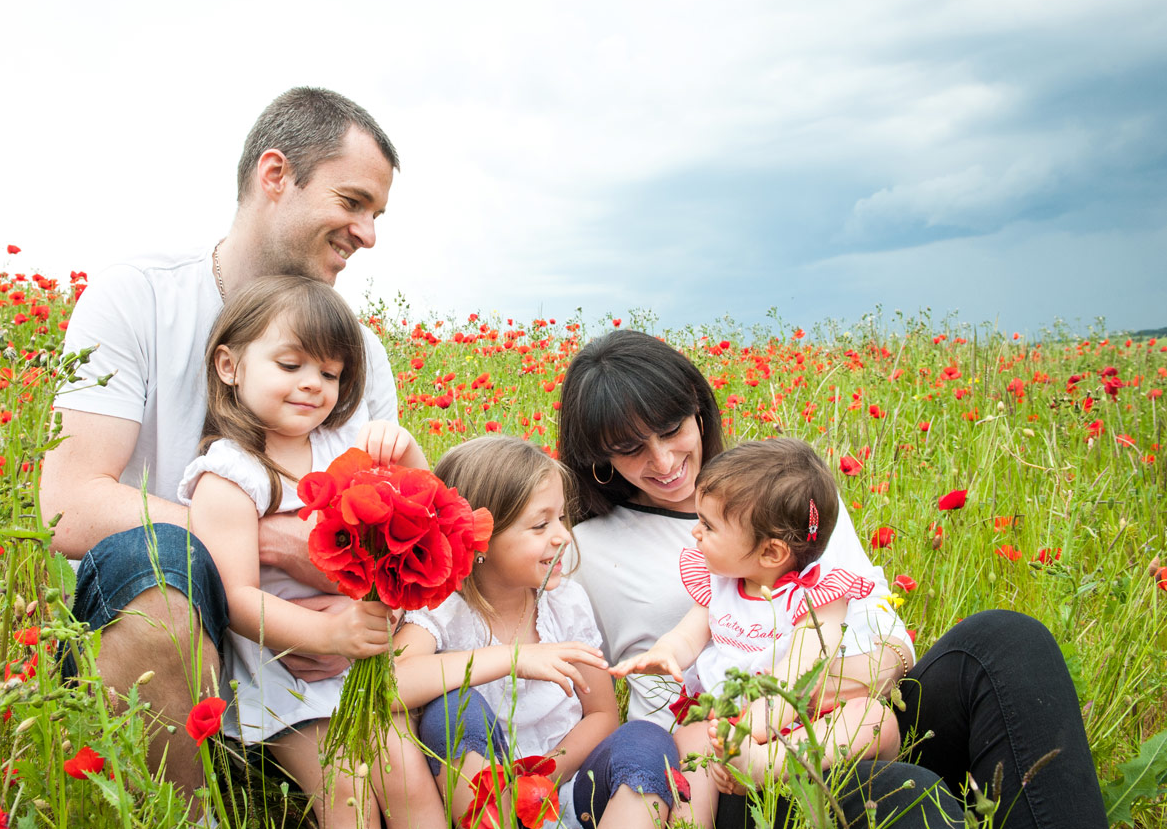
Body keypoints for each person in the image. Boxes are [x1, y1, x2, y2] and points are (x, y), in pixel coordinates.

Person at [559, 330, 1108, 829]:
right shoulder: (584, 551)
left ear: (698, 411)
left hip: (845, 720)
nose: (664, 460)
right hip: (724, 763)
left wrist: (801, 692)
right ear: (599, 459)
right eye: (630, 449)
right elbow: (581, 705)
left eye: (672, 429)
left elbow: (890, 638)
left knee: (1007, 641)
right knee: (906, 795)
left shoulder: (786, 494)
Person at [39, 87, 401, 794]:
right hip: (161, 619)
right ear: (275, 176)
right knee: (165, 568)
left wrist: (350, 588)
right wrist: (262, 541)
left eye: (377, 214)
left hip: (303, 656)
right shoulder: (138, 297)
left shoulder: (357, 351)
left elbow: (383, 521)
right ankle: (184, 810)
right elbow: (70, 504)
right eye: (352, 202)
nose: (368, 233)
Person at [177, 275, 442, 827]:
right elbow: (234, 596)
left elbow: (426, 515)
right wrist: (327, 635)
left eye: (329, 373)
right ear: (230, 366)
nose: (312, 386)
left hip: (362, 666)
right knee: (347, 789)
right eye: (291, 365)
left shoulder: (344, 443)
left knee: (412, 785)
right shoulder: (228, 475)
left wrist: (409, 452)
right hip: (289, 678)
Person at [393, 437, 688, 829]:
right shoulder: (443, 608)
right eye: (540, 525)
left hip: (568, 785)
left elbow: (601, 713)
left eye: (562, 518)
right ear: (479, 539)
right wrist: (515, 659)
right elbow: (390, 684)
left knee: (648, 741)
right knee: (451, 711)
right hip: (483, 787)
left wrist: (543, 775)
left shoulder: (565, 602)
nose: (564, 535)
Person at [611, 437, 902, 811]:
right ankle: (694, 820)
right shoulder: (721, 585)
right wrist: (665, 653)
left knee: (875, 719)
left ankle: (769, 764)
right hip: (725, 718)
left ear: (771, 552)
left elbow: (802, 672)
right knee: (689, 742)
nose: (695, 533)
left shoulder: (816, 598)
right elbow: (690, 633)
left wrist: (757, 727)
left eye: (708, 526)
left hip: (803, 718)